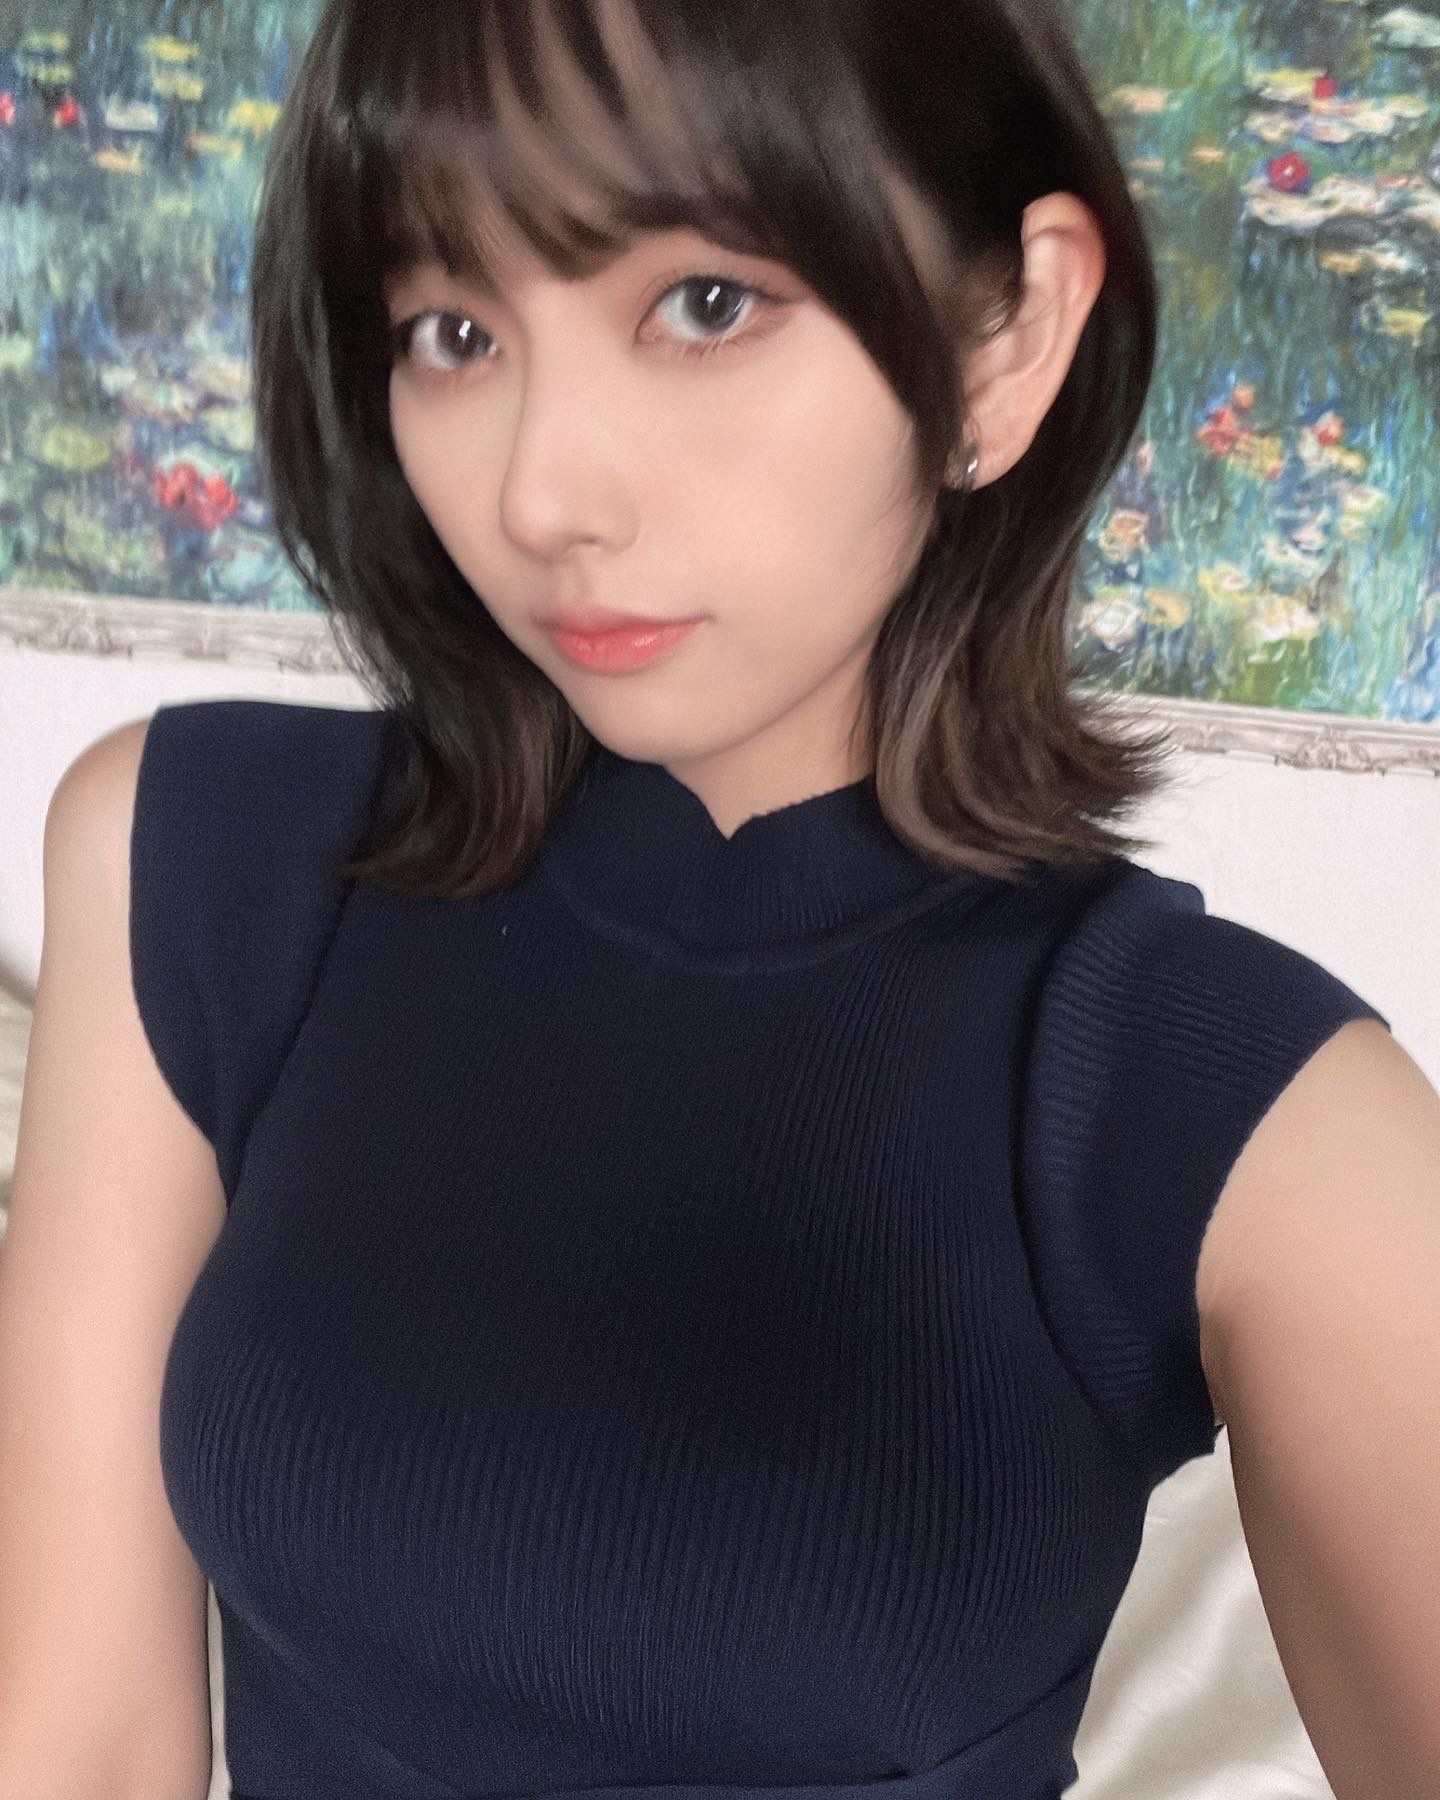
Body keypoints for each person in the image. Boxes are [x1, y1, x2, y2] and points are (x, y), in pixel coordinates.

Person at [4, 2, 1437, 1798]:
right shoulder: (194, 862)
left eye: (702, 305)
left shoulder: (1246, 1113)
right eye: (454, 332)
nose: (542, 493)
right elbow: (73, 1746)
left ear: (1008, 335)